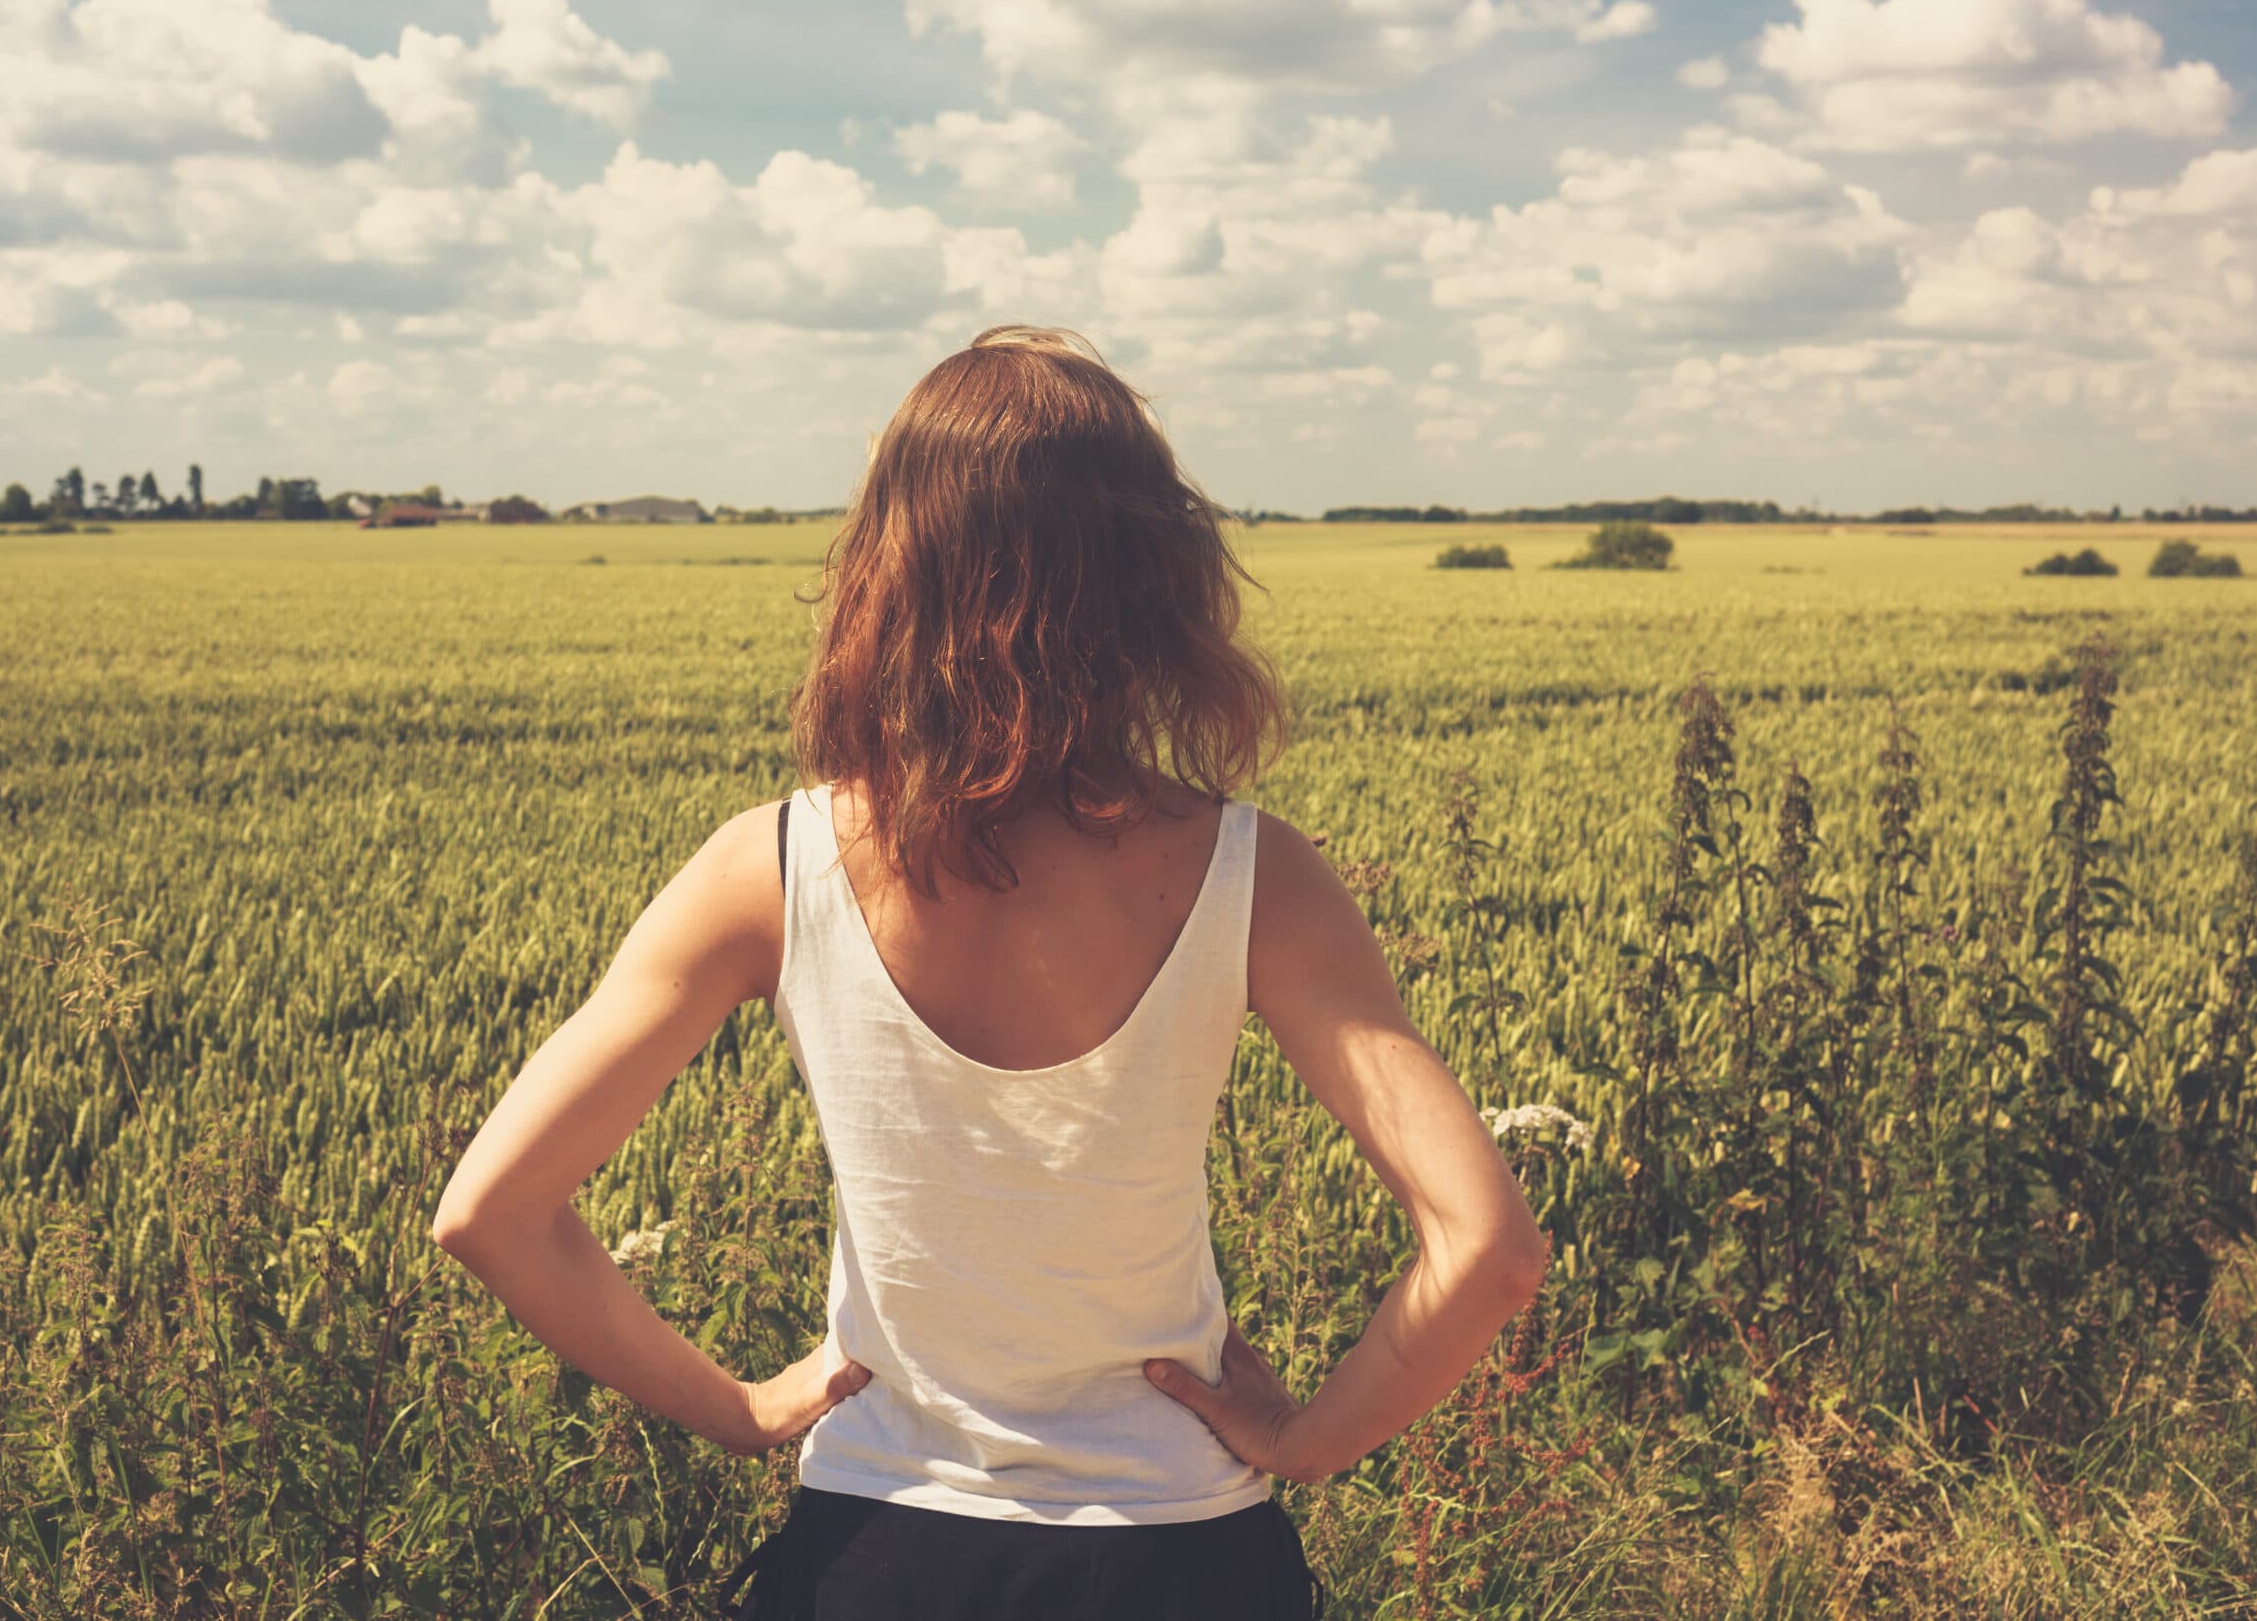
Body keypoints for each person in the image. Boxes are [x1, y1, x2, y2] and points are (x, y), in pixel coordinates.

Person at [429, 325, 1551, 1618]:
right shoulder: (1256, 876)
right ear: (1152, 578)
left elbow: (489, 1212)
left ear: (888, 574)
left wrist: (739, 1409)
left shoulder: (772, 867)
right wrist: (1309, 1438)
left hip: (878, 1552)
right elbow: (1490, 1251)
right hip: (1178, 1558)